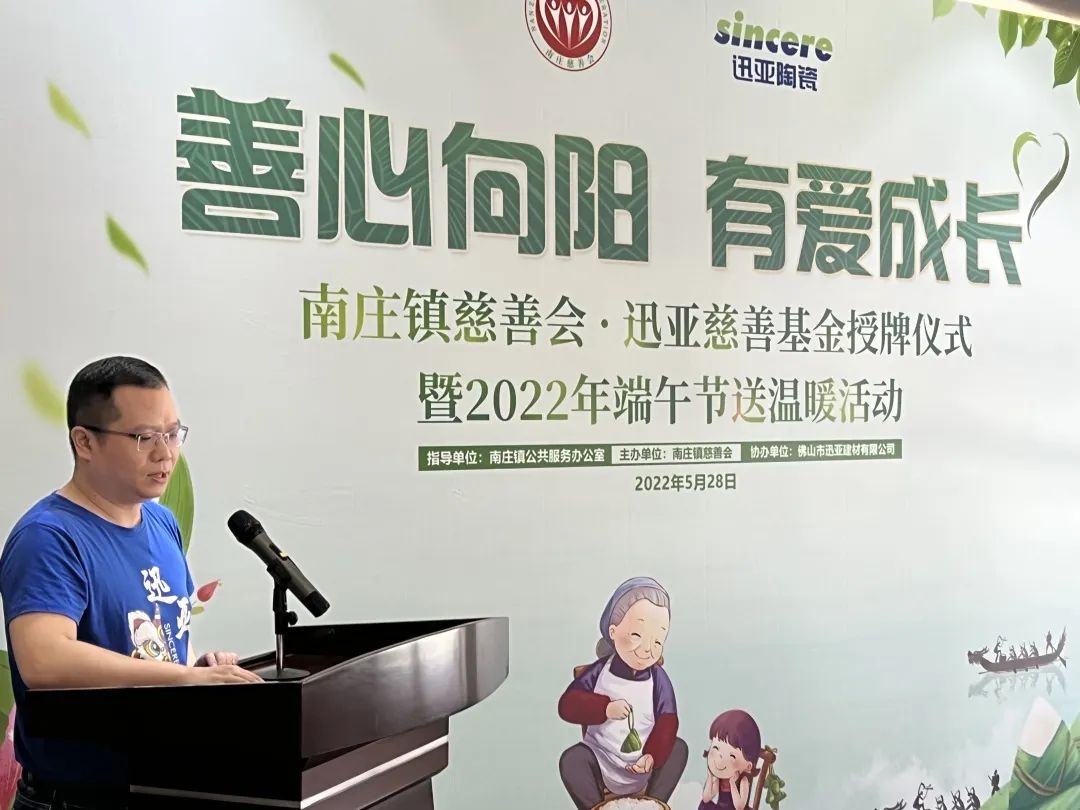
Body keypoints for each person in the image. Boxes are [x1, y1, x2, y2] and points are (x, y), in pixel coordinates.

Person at [0, 356, 261, 809]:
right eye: (144, 438)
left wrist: (199, 672)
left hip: (160, 783)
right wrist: (182, 679)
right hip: (80, 798)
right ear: (84, 441)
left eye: (173, 433)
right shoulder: (49, 536)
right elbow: (44, 660)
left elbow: (158, 643)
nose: (166, 453)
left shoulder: (161, 523)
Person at [558, 576, 688, 809]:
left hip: (645, 765)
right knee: (571, 760)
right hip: (602, 762)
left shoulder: (658, 679)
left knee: (678, 749)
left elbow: (668, 720)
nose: (647, 649)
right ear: (613, 631)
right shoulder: (599, 672)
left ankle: (653, 803)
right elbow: (567, 705)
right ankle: (599, 807)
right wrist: (605, 708)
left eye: (657, 641)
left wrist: (652, 755)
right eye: (637, 635)